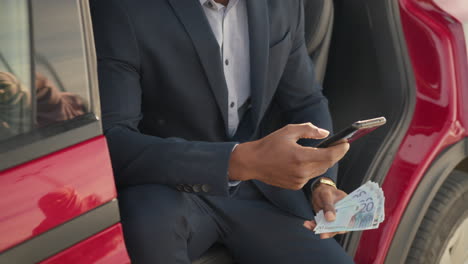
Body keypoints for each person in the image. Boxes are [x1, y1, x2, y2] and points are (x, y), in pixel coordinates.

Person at [90, 0, 354, 263]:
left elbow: (306, 102)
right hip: (164, 190)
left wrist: (322, 182)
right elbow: (114, 141)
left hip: (265, 191)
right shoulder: (123, 8)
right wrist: (234, 161)